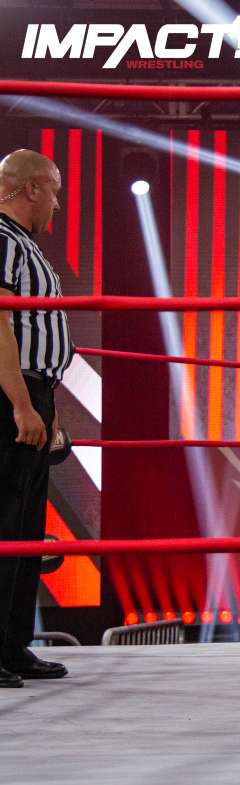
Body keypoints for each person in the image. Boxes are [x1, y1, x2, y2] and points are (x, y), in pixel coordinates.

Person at [0, 149, 73, 687]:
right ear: (30, 188)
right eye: (54, 190)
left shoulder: (25, 244)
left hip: (32, 392)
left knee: (24, 528)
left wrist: (46, 405)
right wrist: (21, 404)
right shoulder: (3, 238)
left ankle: (11, 646)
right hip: (10, 395)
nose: (57, 203)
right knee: (5, 524)